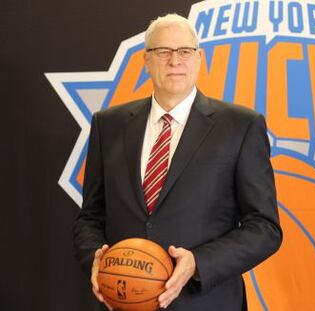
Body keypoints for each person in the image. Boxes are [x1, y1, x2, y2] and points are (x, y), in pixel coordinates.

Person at [73, 13, 282, 311]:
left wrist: (199, 263)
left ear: (199, 58)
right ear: (146, 60)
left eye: (184, 51)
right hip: (122, 302)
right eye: (163, 52)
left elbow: (265, 227)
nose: (175, 61)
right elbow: (90, 217)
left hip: (206, 302)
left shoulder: (241, 126)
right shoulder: (108, 125)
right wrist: (95, 258)